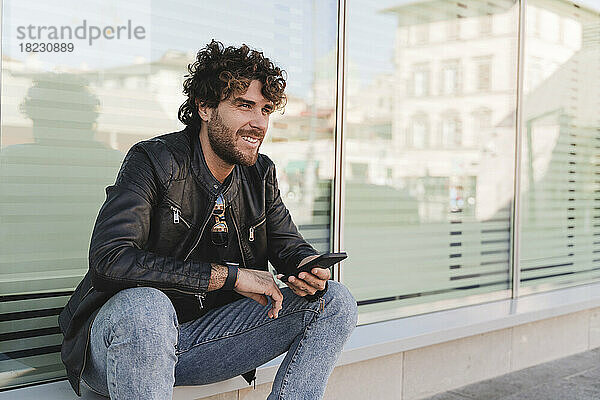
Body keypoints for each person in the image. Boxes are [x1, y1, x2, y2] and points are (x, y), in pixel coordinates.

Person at [58, 40, 358, 400]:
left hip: (201, 342)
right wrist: (229, 276)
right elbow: (110, 261)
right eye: (244, 105)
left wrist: (306, 265)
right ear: (205, 107)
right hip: (124, 343)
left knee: (334, 300)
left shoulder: (260, 174)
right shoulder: (154, 161)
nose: (258, 122)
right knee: (147, 306)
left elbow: (286, 243)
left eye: (265, 110)